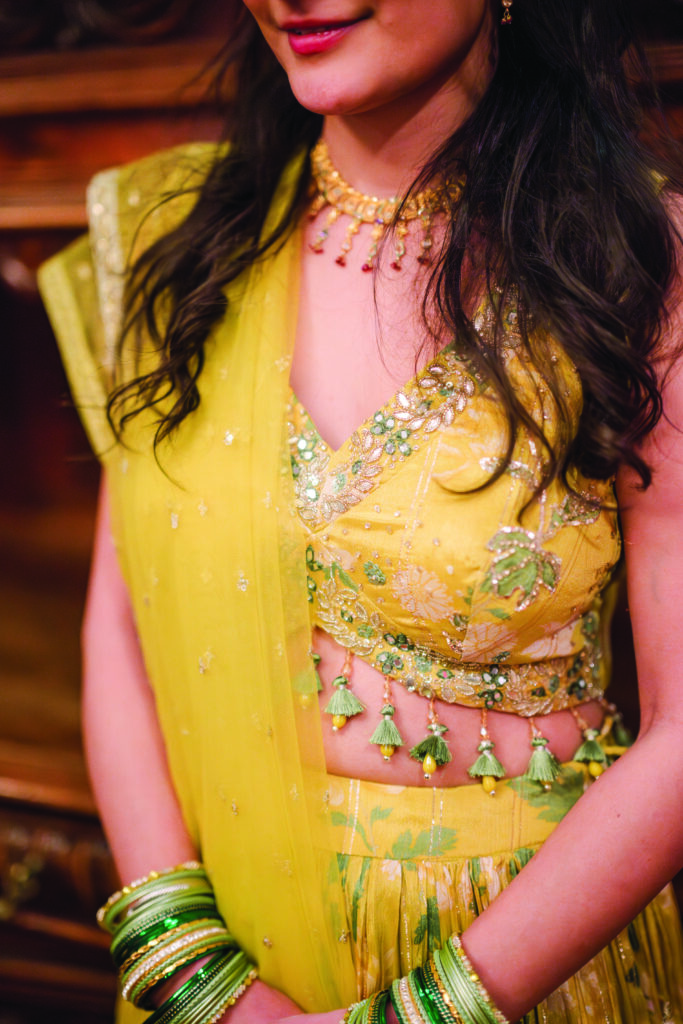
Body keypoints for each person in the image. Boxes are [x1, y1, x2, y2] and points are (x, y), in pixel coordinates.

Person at [39, 0, 683, 1021]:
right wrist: (195, 973)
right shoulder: (176, 239)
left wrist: (427, 1011)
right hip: (228, 944)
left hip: (528, 959)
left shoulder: (638, 262)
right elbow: (121, 625)